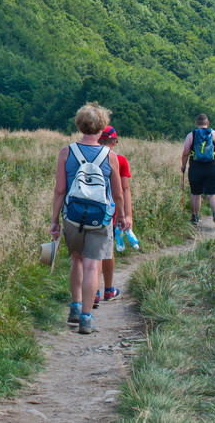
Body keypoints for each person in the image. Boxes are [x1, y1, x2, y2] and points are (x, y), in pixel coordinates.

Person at [50, 103, 123, 335]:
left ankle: (75, 305)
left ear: (79, 125)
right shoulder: (110, 156)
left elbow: (60, 190)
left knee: (77, 260)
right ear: (102, 127)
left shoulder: (66, 152)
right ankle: (86, 318)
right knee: (93, 265)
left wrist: (54, 221)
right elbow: (118, 192)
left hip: (72, 217)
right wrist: (121, 216)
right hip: (100, 219)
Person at [96, 125, 132, 306]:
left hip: (87, 210)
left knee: (91, 250)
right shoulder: (119, 159)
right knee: (107, 249)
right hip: (111, 211)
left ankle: (93, 291)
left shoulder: (88, 156)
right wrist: (127, 215)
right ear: (114, 141)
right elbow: (124, 189)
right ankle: (108, 290)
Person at [180, 114, 215, 228]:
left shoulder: (191, 135)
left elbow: (186, 152)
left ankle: (195, 217)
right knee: (213, 193)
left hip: (196, 166)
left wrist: (183, 166)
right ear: (208, 123)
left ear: (197, 123)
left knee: (196, 193)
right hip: (213, 166)